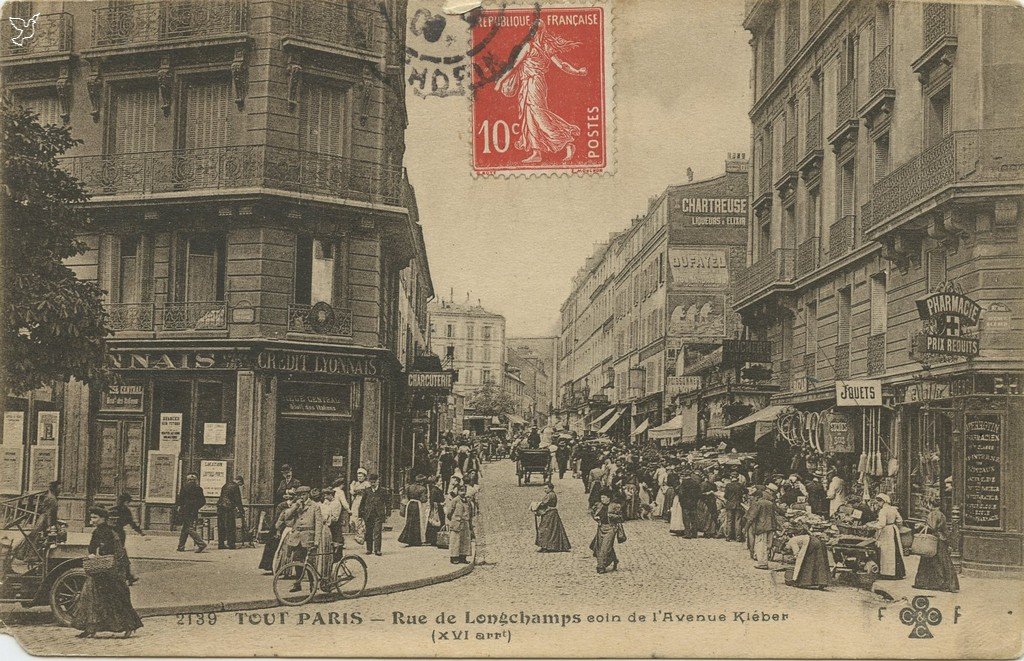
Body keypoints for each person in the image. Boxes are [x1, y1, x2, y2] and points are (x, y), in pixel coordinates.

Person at [493, 20, 587, 164]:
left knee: (538, 114)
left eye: (535, 30)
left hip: (534, 83)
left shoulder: (532, 47)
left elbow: (514, 67)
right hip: (529, 83)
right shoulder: (540, 46)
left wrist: (500, 81)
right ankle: (537, 152)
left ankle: (565, 141)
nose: (533, 33)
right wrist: (577, 71)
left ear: (538, 31)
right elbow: (562, 65)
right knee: (530, 115)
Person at [71, 507, 142, 639]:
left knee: (100, 598)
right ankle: (91, 628)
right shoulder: (103, 531)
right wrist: (94, 554)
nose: (92, 520)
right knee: (95, 597)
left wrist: (95, 555)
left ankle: (125, 626)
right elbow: (93, 548)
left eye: (95, 518)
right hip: (104, 568)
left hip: (107, 570)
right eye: (91, 517)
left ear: (103, 518)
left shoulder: (106, 532)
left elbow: (108, 550)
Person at [913, 500, 959, 593]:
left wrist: (921, 525)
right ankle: (949, 584)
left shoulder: (933, 514)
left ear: (931, 505)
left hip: (934, 540)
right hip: (941, 539)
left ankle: (933, 583)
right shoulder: (941, 514)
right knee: (943, 561)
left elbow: (932, 527)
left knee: (931, 561)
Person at [745, 484, 783, 569]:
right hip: (770, 526)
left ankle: (762, 563)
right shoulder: (770, 503)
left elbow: (752, 517)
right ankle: (764, 560)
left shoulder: (758, 504)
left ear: (758, 496)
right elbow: (774, 515)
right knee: (768, 545)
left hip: (761, 527)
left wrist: (746, 528)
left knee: (760, 545)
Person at [109, 492, 144, 585]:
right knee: (121, 555)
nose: (128, 504)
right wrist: (140, 531)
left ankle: (128, 576)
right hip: (119, 534)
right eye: (128, 502)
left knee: (118, 555)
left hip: (111, 534)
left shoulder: (112, 510)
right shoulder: (126, 511)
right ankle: (127, 576)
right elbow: (131, 523)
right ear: (125, 502)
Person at [870, 493, 906, 579]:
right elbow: (900, 520)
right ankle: (898, 573)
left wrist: (872, 526)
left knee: (886, 552)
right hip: (893, 529)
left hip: (886, 531)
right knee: (895, 550)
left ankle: (887, 573)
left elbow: (882, 524)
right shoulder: (893, 509)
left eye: (879, 501)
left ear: (883, 501)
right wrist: (896, 526)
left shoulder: (883, 511)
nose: (878, 504)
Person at [589, 490, 622, 574]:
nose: (602, 499)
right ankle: (614, 559)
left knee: (605, 547)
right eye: (601, 498)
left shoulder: (615, 506)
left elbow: (621, 517)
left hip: (611, 528)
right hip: (601, 528)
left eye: (604, 497)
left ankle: (601, 566)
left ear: (609, 498)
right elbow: (592, 512)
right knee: (600, 547)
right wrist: (595, 517)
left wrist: (611, 516)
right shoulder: (599, 505)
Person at [259, 493, 292, 574]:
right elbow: (278, 520)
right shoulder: (282, 506)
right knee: (276, 547)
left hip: (283, 528)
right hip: (280, 528)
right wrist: (278, 530)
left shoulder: (288, 505)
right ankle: (272, 566)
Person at [174, 474, 207, 553]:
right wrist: (196, 507)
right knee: (185, 528)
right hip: (193, 511)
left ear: (187, 480)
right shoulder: (199, 489)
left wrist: (180, 508)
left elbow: (180, 500)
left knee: (189, 528)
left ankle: (201, 544)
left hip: (185, 511)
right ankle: (181, 546)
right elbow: (203, 501)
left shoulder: (184, 488)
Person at [534, 483, 571, 552]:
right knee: (550, 529)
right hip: (550, 513)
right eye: (544, 488)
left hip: (550, 513)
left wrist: (535, 506)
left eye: (546, 488)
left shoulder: (550, 495)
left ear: (550, 488)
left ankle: (547, 546)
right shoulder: (550, 494)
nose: (544, 490)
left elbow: (543, 504)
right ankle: (546, 545)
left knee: (546, 529)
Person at [359, 474, 389, 556]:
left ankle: (377, 550)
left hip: (378, 514)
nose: (372, 484)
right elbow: (362, 503)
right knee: (368, 532)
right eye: (371, 482)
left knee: (377, 532)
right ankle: (369, 549)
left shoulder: (383, 491)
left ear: (378, 481)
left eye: (374, 482)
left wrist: (387, 513)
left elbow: (388, 502)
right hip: (368, 515)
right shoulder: (367, 491)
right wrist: (360, 514)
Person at [445, 483, 475, 564]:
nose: (463, 493)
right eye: (461, 491)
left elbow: (470, 512)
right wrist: (454, 520)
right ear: (457, 491)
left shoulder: (467, 501)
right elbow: (449, 512)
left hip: (465, 523)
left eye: (464, 491)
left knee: (465, 540)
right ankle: (454, 557)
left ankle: (463, 557)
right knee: (455, 540)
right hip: (457, 523)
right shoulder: (455, 500)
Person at [398, 475, 429, 546]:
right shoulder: (422, 488)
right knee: (417, 522)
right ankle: (416, 540)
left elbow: (407, 497)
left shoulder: (409, 487)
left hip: (410, 504)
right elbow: (423, 499)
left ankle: (408, 539)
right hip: (417, 505)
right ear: (421, 482)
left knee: (409, 521)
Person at [217, 475, 245, 550]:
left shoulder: (226, 485)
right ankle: (231, 544)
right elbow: (238, 500)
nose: (239, 486)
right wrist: (241, 510)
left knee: (221, 526)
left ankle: (221, 544)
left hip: (220, 507)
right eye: (240, 484)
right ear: (239, 481)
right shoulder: (235, 486)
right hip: (228, 508)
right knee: (231, 526)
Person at [677, 471, 701, 538]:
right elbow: (699, 493)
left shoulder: (684, 483)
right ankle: (694, 533)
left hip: (685, 503)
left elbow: (681, 493)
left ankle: (687, 533)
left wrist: (681, 501)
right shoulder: (695, 483)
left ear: (685, 475)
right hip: (693, 503)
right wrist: (695, 501)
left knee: (686, 519)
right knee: (694, 518)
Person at [349, 468, 371, 541]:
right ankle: (358, 533)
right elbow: (352, 492)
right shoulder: (355, 483)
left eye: (361, 476)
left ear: (364, 477)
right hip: (356, 501)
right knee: (355, 517)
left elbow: (368, 493)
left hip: (363, 501)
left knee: (362, 518)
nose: (360, 478)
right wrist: (352, 488)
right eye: (358, 476)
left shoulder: (367, 484)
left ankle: (363, 534)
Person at [723, 474, 745, 542]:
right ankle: (738, 538)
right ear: (737, 478)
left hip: (729, 504)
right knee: (738, 521)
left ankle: (728, 537)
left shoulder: (728, 485)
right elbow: (745, 492)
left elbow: (725, 496)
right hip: (738, 504)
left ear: (731, 477)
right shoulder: (740, 485)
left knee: (729, 521)